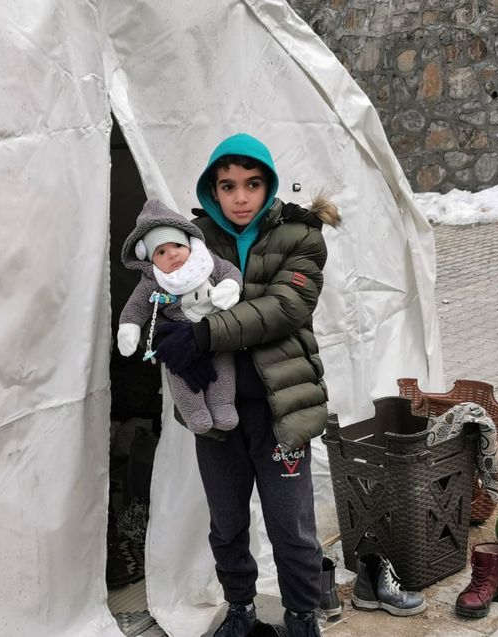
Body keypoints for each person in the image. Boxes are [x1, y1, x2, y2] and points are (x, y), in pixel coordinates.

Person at [152, 133, 340, 637]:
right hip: (218, 413)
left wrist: (204, 332)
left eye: (252, 184)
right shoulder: (190, 241)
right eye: (228, 184)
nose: (240, 197)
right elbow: (161, 297)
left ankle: (302, 616)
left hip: (281, 410)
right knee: (227, 523)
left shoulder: (302, 236)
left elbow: (285, 308)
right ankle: (240, 610)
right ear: (212, 189)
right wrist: (168, 330)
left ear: (269, 185)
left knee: (292, 527)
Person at [117, 199, 243, 434]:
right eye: (161, 252)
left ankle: (223, 406)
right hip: (180, 340)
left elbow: (230, 272)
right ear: (150, 258)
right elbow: (136, 307)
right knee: (180, 374)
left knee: (223, 370)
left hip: (216, 335)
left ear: (188, 243)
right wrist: (129, 327)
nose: (172, 254)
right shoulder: (153, 281)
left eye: (176, 245)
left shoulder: (207, 261)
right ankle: (194, 412)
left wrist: (229, 287)